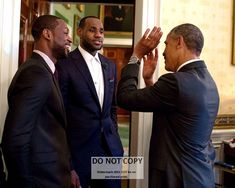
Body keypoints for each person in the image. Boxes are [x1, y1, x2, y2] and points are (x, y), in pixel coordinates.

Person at [117, 24, 219, 188]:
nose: (163, 52)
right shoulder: (209, 81)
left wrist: (136, 55)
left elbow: (124, 98)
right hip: (200, 176)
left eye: (166, 44)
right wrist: (149, 81)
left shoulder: (175, 81)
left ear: (179, 42)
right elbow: (175, 110)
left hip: (177, 179)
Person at [1, 15, 75, 188]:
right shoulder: (36, 73)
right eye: (65, 33)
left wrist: (68, 169)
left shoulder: (45, 70)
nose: (70, 38)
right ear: (47, 34)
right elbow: (15, 140)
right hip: (41, 181)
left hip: (54, 175)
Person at [56, 16, 123, 188]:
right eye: (92, 30)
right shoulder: (64, 64)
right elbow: (59, 116)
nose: (98, 35)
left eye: (101, 31)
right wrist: (68, 164)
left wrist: (113, 136)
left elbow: (112, 108)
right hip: (79, 156)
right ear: (80, 32)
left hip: (109, 152)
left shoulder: (110, 65)